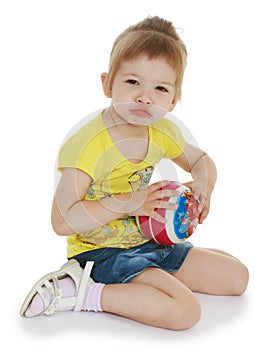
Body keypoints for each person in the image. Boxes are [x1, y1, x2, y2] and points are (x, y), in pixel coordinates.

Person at [20, 16, 249, 330]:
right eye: (132, 82)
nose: (145, 97)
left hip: (150, 241)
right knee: (186, 312)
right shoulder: (87, 144)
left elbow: (202, 160)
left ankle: (148, 281)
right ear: (107, 83)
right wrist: (131, 202)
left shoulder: (163, 130)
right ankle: (83, 292)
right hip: (102, 252)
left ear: (173, 99)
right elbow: (62, 220)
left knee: (236, 278)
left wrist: (203, 186)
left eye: (160, 88)